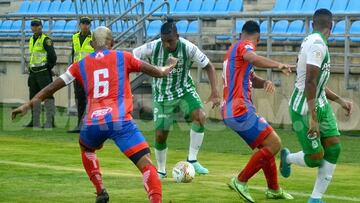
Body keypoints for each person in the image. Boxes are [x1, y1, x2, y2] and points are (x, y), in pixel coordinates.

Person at [12, 26, 179, 203]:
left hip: (93, 123)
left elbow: (52, 87)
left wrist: (29, 104)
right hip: (119, 120)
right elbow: (159, 73)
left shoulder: (80, 65)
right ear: (112, 43)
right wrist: (169, 66)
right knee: (146, 163)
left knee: (86, 148)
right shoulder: (123, 57)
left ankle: (101, 192)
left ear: (91, 44)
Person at [280, 9, 352, 203]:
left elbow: (317, 84)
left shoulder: (311, 40)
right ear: (332, 26)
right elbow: (310, 83)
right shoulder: (317, 45)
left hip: (319, 102)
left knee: (334, 148)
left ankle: (315, 198)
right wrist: (313, 117)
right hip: (304, 107)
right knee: (315, 158)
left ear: (313, 24)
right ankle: (287, 158)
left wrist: (340, 101)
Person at [133, 18, 221, 178]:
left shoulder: (188, 48)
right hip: (162, 95)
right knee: (161, 134)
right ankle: (161, 170)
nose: (167, 45)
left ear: (177, 36)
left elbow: (209, 66)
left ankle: (192, 160)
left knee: (200, 116)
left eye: (170, 41)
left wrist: (215, 92)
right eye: (164, 41)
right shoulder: (153, 48)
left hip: (184, 91)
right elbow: (132, 57)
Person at [221, 20, 294, 203]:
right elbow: (252, 58)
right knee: (275, 144)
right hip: (239, 109)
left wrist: (264, 82)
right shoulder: (246, 46)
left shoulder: (233, 50)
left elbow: (250, 76)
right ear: (258, 38)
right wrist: (278, 65)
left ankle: (274, 190)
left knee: (266, 147)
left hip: (231, 110)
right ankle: (241, 180)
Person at [25, 18, 57, 128]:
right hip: (33, 72)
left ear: (41, 27)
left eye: (37, 25)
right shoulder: (31, 39)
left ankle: (50, 121)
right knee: (33, 97)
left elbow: (53, 56)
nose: (35, 27)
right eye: (33, 25)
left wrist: (48, 67)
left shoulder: (46, 40)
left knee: (48, 96)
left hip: (43, 72)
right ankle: (34, 120)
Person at [68, 16, 94, 133]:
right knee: (80, 99)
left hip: (90, 73)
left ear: (90, 25)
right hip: (78, 72)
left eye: (87, 23)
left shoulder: (94, 38)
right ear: (80, 25)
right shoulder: (74, 37)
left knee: (92, 99)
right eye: (83, 23)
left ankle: (92, 125)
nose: (85, 25)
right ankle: (80, 124)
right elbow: (74, 54)